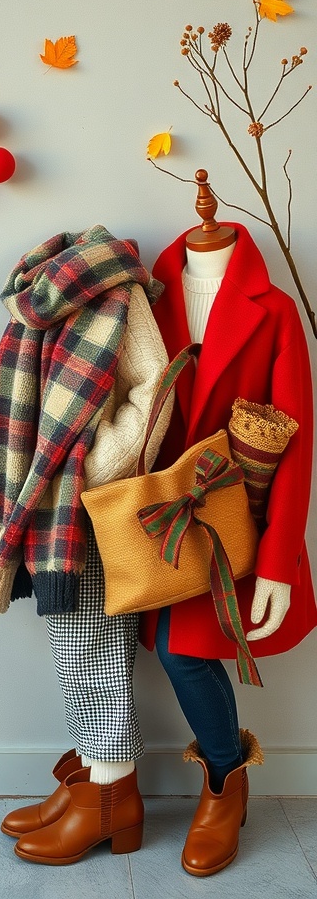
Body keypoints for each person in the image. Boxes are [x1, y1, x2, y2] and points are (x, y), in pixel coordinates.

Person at [0, 224, 173, 864]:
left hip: (90, 510)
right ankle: (92, 781)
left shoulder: (120, 296)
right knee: (76, 652)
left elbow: (155, 387)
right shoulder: (32, 304)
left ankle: (110, 802)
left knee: (96, 657)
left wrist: (92, 470)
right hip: (53, 506)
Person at [140, 175, 317, 876]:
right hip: (148, 513)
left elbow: (298, 436)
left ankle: (224, 781)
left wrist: (279, 556)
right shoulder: (145, 304)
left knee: (182, 648)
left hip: (234, 520)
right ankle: (108, 782)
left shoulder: (271, 311)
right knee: (138, 644)